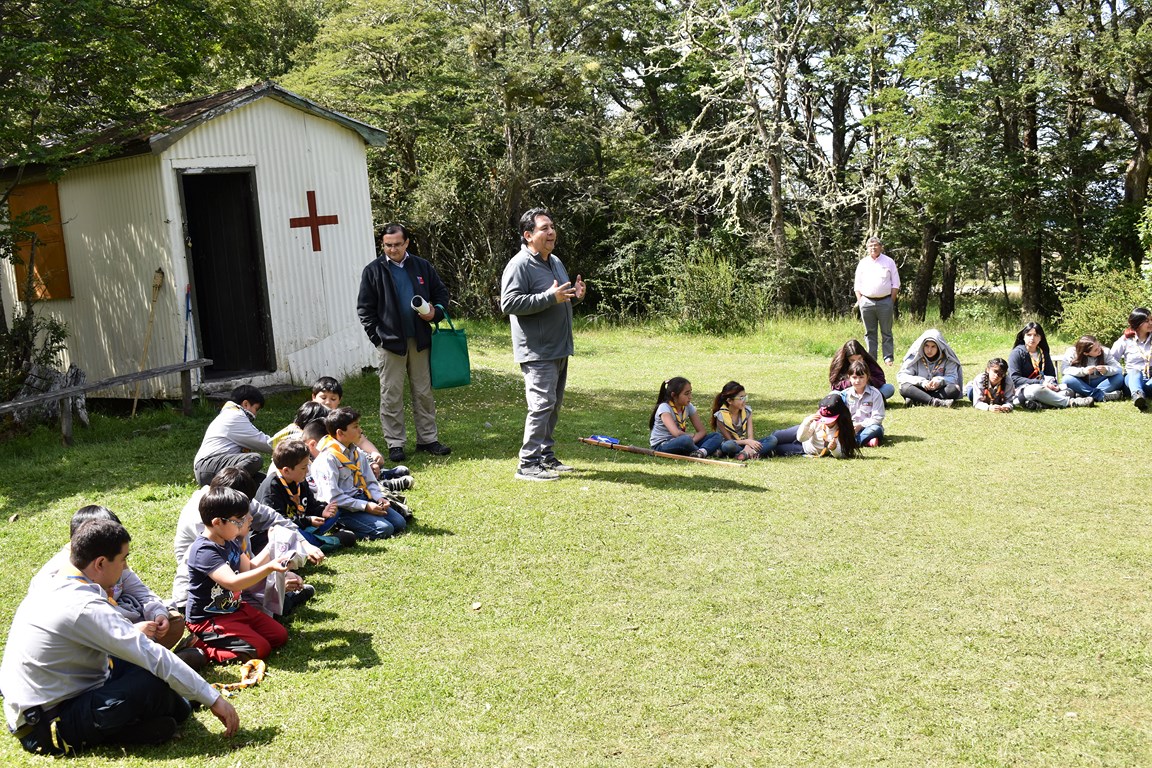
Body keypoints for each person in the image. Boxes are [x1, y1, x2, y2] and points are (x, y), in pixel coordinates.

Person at [1, 519, 238, 756]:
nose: (126, 566)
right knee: (151, 681)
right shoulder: (82, 605)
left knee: (145, 670)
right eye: (123, 559)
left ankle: (161, 714)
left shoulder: (59, 580)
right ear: (101, 563)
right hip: (46, 725)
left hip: (59, 697)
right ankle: (171, 712)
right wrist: (214, 700)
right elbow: (150, 654)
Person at [31, 506, 189, 654]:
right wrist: (130, 632)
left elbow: (139, 589)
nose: (124, 564)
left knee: (173, 620)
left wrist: (157, 613)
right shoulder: (60, 580)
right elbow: (87, 630)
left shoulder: (111, 560)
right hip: (89, 646)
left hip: (123, 621)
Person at [500, 208, 585, 481]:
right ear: (528, 235)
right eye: (544, 228)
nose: (551, 232)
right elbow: (509, 303)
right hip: (537, 350)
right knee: (541, 405)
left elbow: (561, 297)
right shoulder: (519, 265)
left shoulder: (555, 261)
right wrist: (549, 297)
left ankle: (545, 457)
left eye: (552, 227)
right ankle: (527, 464)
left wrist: (576, 296)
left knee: (553, 405)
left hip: (559, 347)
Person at [356, 224, 452, 462]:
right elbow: (365, 310)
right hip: (390, 344)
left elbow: (441, 295)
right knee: (391, 394)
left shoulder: (422, 266)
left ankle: (428, 439)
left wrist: (435, 313)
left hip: (420, 340)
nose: (393, 249)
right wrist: (378, 339)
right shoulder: (373, 270)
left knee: (423, 392)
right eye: (388, 245)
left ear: (407, 243)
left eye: (397, 244)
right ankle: (395, 444)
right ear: (383, 245)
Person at [183, 487, 292, 664]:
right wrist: (270, 568)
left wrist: (273, 549)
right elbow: (233, 583)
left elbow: (248, 570)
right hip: (209, 618)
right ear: (217, 522)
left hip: (235, 608)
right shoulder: (204, 550)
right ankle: (201, 647)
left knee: (279, 636)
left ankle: (237, 634)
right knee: (260, 649)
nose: (244, 523)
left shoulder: (230, 541)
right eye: (238, 521)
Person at [311, 407, 407, 539]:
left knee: (399, 523)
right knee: (385, 529)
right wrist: (366, 507)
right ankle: (341, 529)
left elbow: (370, 481)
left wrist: (379, 498)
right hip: (342, 508)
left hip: (363, 498)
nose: (360, 430)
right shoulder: (328, 459)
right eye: (355, 427)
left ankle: (364, 520)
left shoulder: (356, 452)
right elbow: (333, 498)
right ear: (341, 433)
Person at [259, 439, 356, 553]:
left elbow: (311, 505)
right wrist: (308, 521)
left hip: (302, 524)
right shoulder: (272, 488)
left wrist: (322, 510)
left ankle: (315, 539)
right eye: (304, 468)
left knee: (335, 512)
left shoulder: (299, 481)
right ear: (286, 471)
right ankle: (333, 540)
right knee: (300, 537)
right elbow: (278, 522)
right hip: (281, 532)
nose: (308, 470)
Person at [193, 384, 272, 485]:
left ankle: (229, 487)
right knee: (254, 459)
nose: (256, 414)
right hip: (207, 467)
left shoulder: (231, 414)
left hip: (212, 468)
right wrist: (289, 442)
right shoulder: (236, 416)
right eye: (256, 409)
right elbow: (265, 443)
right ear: (246, 404)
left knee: (265, 483)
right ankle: (219, 488)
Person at [1008, 322, 1095, 409]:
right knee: (1037, 390)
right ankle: (1071, 402)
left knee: (1068, 391)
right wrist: (1041, 383)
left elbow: (1051, 374)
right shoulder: (1016, 353)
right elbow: (1015, 379)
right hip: (1024, 389)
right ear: (1023, 336)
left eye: (1036, 335)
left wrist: (1052, 385)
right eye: (1029, 335)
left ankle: (1039, 404)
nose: (1032, 338)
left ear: (1040, 338)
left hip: (1045, 388)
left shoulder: (1043, 353)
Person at [648, 377, 723, 457]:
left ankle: (700, 452)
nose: (690, 396)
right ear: (674, 395)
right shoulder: (664, 407)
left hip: (685, 441)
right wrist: (690, 436)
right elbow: (676, 433)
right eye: (686, 394)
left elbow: (702, 431)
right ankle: (706, 451)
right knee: (685, 440)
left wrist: (692, 440)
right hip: (663, 445)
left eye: (690, 392)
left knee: (716, 436)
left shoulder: (688, 406)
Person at [853, 236, 900, 364]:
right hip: (867, 302)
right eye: (871, 246)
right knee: (869, 332)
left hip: (885, 301)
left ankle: (888, 357)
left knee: (886, 332)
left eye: (876, 245)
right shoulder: (863, 263)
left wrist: (891, 301)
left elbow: (895, 284)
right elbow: (857, 284)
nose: (873, 248)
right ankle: (871, 358)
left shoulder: (889, 262)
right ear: (867, 248)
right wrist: (861, 301)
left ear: (881, 247)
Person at [771, 393, 859, 459]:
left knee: (777, 449)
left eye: (830, 420)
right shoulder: (817, 421)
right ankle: (759, 444)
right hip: (804, 432)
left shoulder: (843, 430)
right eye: (824, 418)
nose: (826, 422)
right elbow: (801, 438)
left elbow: (842, 454)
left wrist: (834, 449)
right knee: (776, 436)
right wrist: (806, 423)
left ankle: (760, 452)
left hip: (805, 448)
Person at [709, 381, 777, 459]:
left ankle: (745, 454)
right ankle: (754, 454)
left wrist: (748, 445)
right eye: (741, 398)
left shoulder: (747, 411)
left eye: (745, 397)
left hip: (746, 443)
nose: (744, 400)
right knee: (728, 446)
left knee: (772, 439)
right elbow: (730, 440)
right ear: (729, 401)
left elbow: (750, 436)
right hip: (732, 444)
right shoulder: (720, 417)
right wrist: (746, 442)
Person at [897, 329, 964, 407]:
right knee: (904, 387)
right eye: (926, 346)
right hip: (920, 389)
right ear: (922, 345)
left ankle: (919, 400)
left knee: (955, 388)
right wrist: (921, 382)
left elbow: (953, 378)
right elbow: (902, 376)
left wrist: (940, 380)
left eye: (933, 346)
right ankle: (935, 402)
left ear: (939, 346)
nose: (929, 350)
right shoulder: (916, 357)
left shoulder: (948, 359)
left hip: (939, 390)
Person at [1061, 335, 1124, 403]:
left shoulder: (1105, 351)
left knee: (1119, 378)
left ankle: (1084, 394)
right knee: (1067, 379)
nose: (1099, 349)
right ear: (1085, 353)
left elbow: (1119, 368)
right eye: (1095, 350)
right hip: (1081, 382)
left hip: (1099, 382)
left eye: (1099, 346)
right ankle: (1100, 396)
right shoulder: (1072, 352)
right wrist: (1083, 371)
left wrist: (1106, 370)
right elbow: (1065, 369)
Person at [1111, 307, 1152, 410]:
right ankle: (1138, 396)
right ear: (1137, 323)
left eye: (1151, 319)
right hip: (1132, 381)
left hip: (1150, 380)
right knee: (1135, 373)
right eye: (1147, 321)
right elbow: (1111, 360)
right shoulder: (1125, 340)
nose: (1151, 323)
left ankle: (1141, 394)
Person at [828, 339, 895, 399]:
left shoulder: (868, 362)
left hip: (869, 392)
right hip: (847, 394)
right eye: (852, 360)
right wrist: (851, 382)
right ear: (846, 359)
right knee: (833, 395)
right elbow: (834, 385)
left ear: (863, 356)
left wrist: (867, 380)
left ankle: (872, 400)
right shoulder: (840, 364)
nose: (857, 362)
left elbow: (881, 380)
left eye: (859, 359)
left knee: (889, 388)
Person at [841, 361, 886, 447]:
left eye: (861, 377)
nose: (858, 380)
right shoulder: (844, 395)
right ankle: (866, 441)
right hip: (850, 428)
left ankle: (852, 442)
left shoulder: (875, 394)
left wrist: (861, 425)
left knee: (876, 429)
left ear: (867, 377)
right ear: (849, 377)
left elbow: (878, 418)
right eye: (854, 377)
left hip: (868, 427)